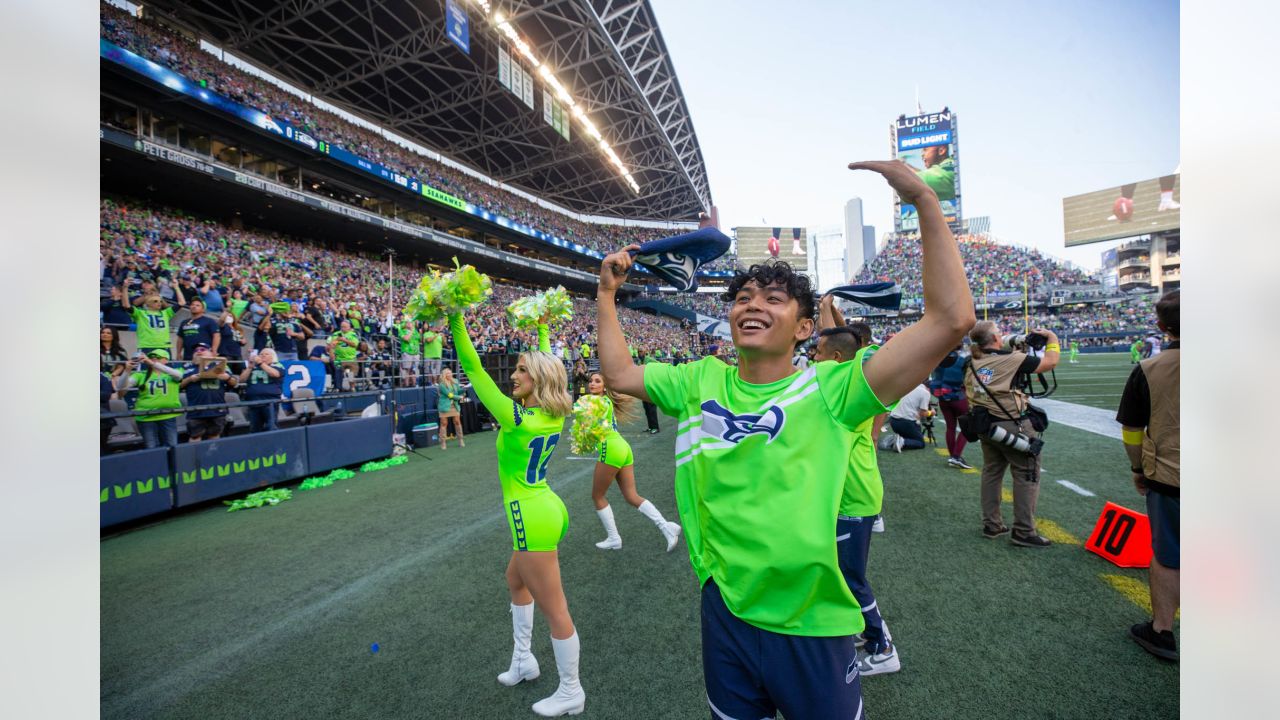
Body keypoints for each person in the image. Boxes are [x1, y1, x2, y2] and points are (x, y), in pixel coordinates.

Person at [595, 159, 974, 719]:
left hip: (811, 623)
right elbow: (622, 375)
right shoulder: (701, 379)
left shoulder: (833, 389)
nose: (752, 304)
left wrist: (923, 199)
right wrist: (606, 295)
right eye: (744, 297)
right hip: (724, 610)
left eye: (773, 299)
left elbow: (951, 320)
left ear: (804, 329)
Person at [447, 310, 585, 717]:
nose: (514, 375)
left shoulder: (517, 417)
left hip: (531, 515)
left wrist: (455, 315)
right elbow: (546, 359)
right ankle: (524, 661)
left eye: (522, 370)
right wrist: (542, 325)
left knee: (555, 608)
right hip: (546, 506)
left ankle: (572, 690)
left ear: (538, 379)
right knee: (515, 580)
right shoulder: (551, 413)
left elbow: (472, 367)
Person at [811, 316, 899, 675]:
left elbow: (870, 351)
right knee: (843, 571)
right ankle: (866, 631)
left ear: (834, 358)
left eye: (817, 353)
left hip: (854, 498)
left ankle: (883, 648)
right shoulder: (836, 386)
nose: (812, 358)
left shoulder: (856, 388)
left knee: (850, 577)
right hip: (848, 497)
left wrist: (845, 331)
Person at [1116, 290, 1180, 661]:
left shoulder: (1148, 369)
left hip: (1171, 475)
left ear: (1160, 326)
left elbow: (1131, 430)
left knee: (1169, 554)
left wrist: (1138, 469)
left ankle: (1162, 631)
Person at [964, 321, 1060, 548]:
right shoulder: (1010, 360)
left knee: (991, 473)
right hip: (1011, 426)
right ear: (996, 339)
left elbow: (998, 355)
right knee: (1026, 474)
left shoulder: (972, 361)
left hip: (986, 425)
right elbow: (1050, 362)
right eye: (999, 333)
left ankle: (992, 524)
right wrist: (1053, 339)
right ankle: (1024, 531)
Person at [583, 372, 682, 552]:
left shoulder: (595, 401)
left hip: (611, 449)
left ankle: (614, 538)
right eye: (591, 381)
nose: (592, 384)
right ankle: (666, 527)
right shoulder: (604, 401)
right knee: (631, 496)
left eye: (597, 381)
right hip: (623, 447)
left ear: (605, 387)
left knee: (597, 496)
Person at [115, 349, 183, 449]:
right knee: (151, 448)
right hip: (145, 417)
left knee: (172, 447)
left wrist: (152, 363)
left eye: (158, 357)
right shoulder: (140, 375)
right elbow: (120, 387)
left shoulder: (173, 373)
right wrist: (127, 370)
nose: (153, 359)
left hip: (167, 415)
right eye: (151, 357)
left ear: (166, 360)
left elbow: (178, 375)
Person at [180, 345, 237, 441]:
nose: (199, 351)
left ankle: (213, 456)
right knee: (195, 437)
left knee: (214, 436)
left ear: (211, 353)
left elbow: (235, 383)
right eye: (196, 350)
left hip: (217, 409)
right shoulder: (186, 367)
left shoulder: (221, 365)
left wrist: (227, 377)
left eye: (203, 349)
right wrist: (190, 379)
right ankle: (195, 456)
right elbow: (178, 386)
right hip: (196, 409)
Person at [930, 344, 974, 469]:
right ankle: (955, 456)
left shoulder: (939, 360)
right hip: (957, 397)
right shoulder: (961, 360)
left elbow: (934, 378)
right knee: (968, 426)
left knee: (950, 427)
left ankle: (953, 456)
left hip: (943, 398)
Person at [124, 283, 181, 357]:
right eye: (155, 301)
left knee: (164, 369)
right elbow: (126, 306)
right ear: (148, 303)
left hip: (164, 346)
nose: (159, 303)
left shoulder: (166, 313)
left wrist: (176, 287)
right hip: (146, 346)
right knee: (145, 369)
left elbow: (181, 303)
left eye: (160, 301)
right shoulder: (140, 313)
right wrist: (125, 287)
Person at [239, 348, 285, 433]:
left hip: (269, 402)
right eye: (261, 354)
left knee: (271, 427)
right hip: (253, 402)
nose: (263, 355)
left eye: (266, 354)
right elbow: (241, 380)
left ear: (272, 357)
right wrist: (249, 367)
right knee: (254, 429)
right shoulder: (253, 366)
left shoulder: (277, 365)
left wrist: (260, 363)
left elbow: (275, 374)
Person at [886, 383, 933, 452]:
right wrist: (931, 412)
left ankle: (899, 439)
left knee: (911, 434)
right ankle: (902, 442)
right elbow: (922, 414)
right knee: (920, 443)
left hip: (893, 421)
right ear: (928, 388)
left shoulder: (907, 385)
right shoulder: (925, 393)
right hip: (906, 423)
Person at [176, 297, 220, 362]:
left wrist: (214, 350)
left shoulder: (209, 321)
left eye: (197, 305)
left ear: (203, 309)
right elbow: (180, 338)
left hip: (203, 355)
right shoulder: (184, 322)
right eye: (192, 305)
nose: (194, 306)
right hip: (187, 356)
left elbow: (216, 336)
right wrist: (178, 353)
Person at [436, 367, 465, 449]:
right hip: (444, 406)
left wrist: (464, 390)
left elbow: (458, 391)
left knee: (457, 422)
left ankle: (461, 440)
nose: (449, 374)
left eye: (450, 373)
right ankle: (443, 443)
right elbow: (449, 395)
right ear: (444, 375)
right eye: (447, 373)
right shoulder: (442, 385)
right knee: (444, 423)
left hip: (454, 405)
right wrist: (459, 397)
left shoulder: (455, 381)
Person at [636, 350, 660, 435]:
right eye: (638, 352)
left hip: (650, 386)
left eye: (641, 352)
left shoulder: (650, 360)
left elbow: (659, 364)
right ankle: (650, 426)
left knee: (652, 408)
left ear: (645, 352)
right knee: (646, 408)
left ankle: (655, 427)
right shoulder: (639, 361)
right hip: (643, 387)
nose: (639, 354)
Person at [395, 315, 421, 387]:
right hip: (407, 353)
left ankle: (415, 384)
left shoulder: (415, 331)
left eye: (411, 323)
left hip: (416, 353)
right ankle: (406, 385)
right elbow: (406, 339)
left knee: (414, 370)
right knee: (407, 369)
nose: (410, 324)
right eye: (408, 323)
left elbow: (419, 339)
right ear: (405, 324)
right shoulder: (402, 331)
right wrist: (411, 331)